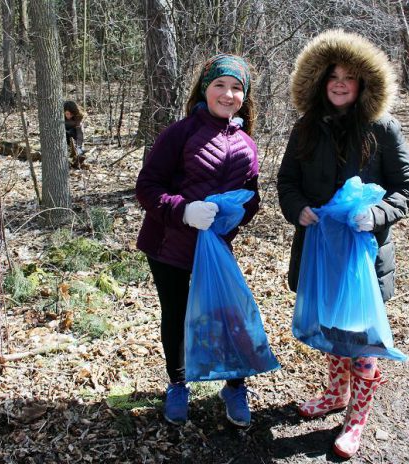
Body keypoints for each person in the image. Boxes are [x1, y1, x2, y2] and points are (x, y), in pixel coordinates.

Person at [277, 30, 409, 459]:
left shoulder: (383, 128)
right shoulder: (306, 128)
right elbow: (287, 182)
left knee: (362, 337)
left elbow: (406, 189)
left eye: (349, 77)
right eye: (332, 76)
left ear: (363, 84)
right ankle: (335, 392)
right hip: (320, 252)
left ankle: (356, 416)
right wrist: (297, 209)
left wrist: (375, 215)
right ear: (320, 81)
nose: (339, 83)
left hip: (365, 257)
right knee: (330, 329)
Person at [135, 54, 260, 427]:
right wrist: (184, 210)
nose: (228, 93)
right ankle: (178, 384)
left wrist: (240, 215)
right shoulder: (179, 133)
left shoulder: (247, 145)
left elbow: (251, 196)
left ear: (245, 96)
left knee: (228, 315)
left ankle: (234, 386)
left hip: (217, 249)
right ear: (204, 89)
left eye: (236, 87)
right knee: (176, 315)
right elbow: (147, 187)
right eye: (220, 85)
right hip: (168, 246)